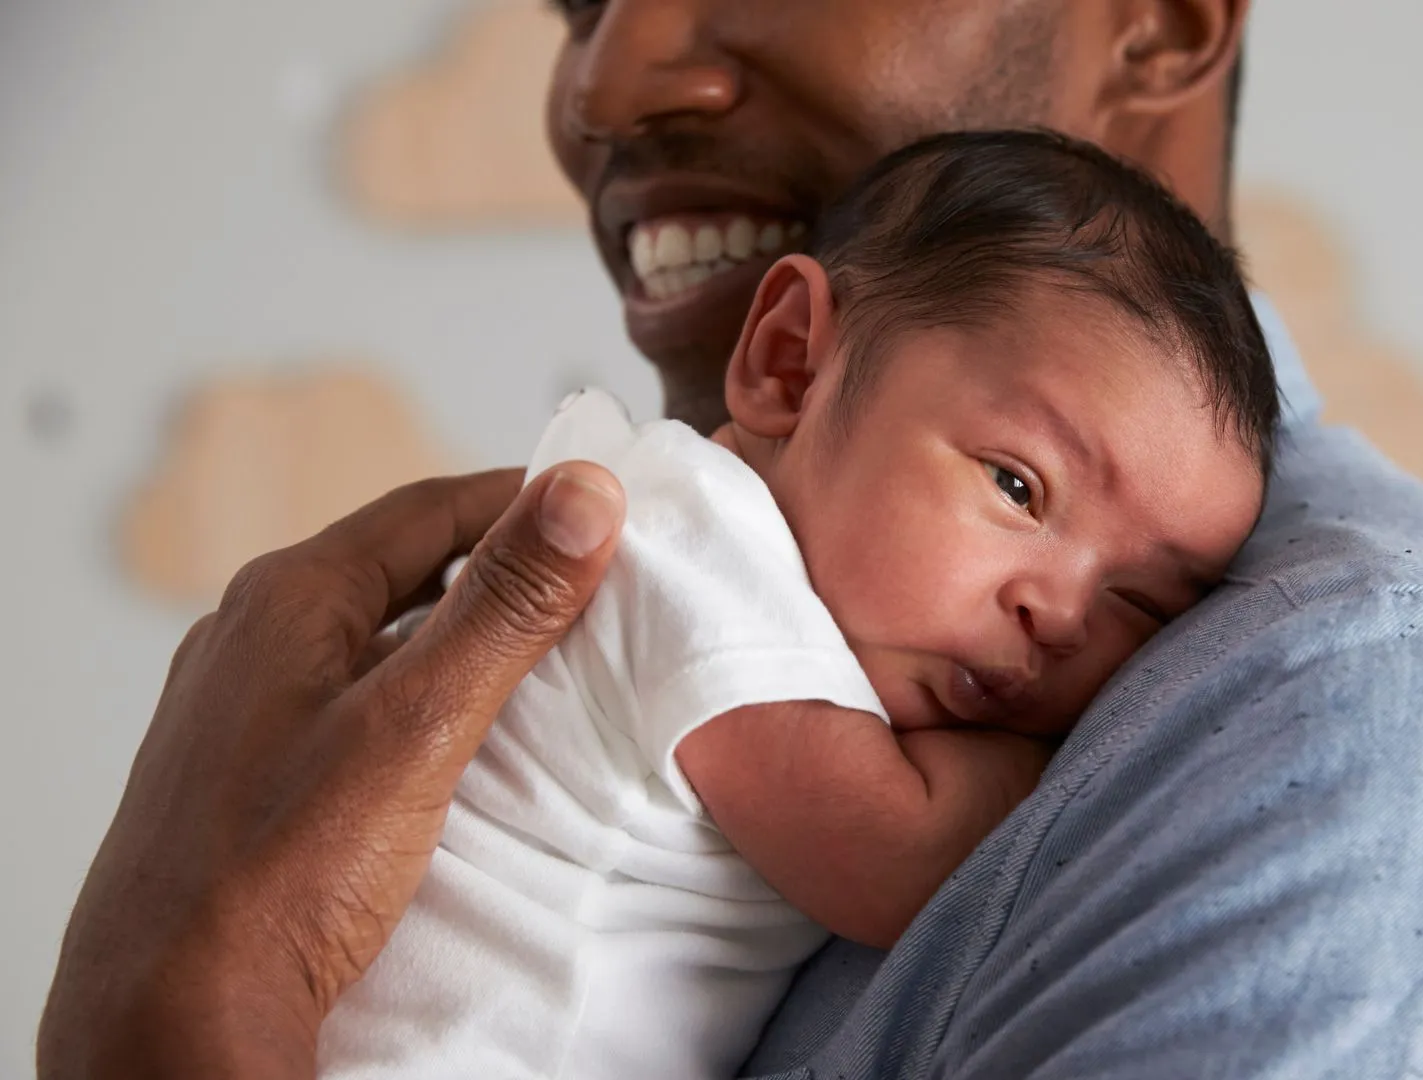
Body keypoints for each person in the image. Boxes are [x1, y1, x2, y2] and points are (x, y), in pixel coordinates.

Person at [38, 2, 1423, 1078]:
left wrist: (167, 1040)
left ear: (1163, 19)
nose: (607, 72)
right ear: (793, 355)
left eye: (1148, 603)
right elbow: (883, 845)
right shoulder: (708, 565)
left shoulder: (1400, 769)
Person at [318, 130, 1277, 1080]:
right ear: (791, 365)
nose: (1063, 618)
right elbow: (902, 859)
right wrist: (1069, 761)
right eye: (1018, 488)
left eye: (1142, 605)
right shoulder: (688, 549)